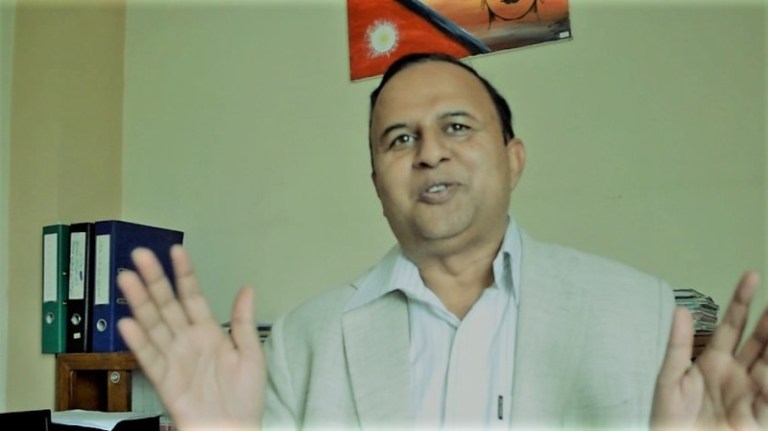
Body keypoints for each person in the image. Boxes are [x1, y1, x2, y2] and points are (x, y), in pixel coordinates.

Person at [115, 52, 768, 430]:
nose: (429, 153)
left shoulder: (640, 313)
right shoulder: (302, 342)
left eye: (457, 127)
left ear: (513, 159)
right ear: (378, 183)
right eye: (400, 138)